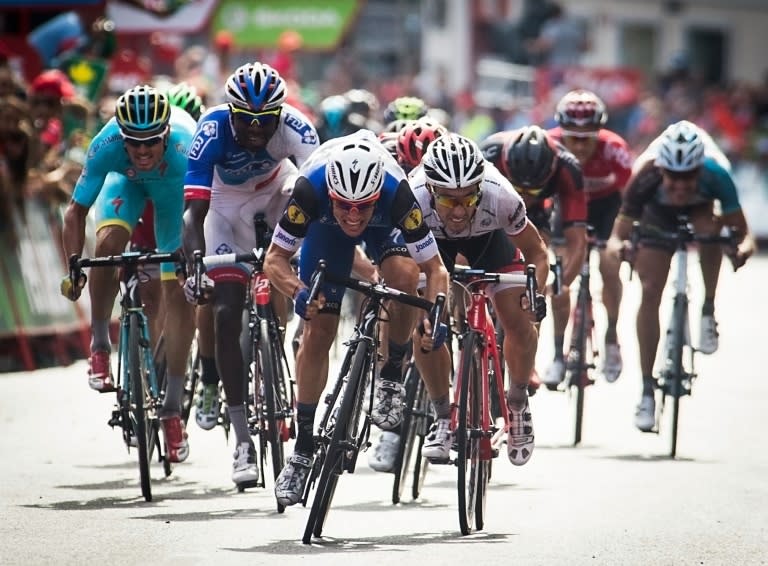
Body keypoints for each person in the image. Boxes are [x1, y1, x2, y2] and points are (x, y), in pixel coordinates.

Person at [263, 129, 452, 507]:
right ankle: (301, 451)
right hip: (324, 234)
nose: (353, 216)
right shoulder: (309, 191)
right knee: (319, 333)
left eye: (362, 206)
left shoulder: (396, 193)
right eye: (344, 206)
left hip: (387, 229)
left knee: (403, 275)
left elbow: (436, 270)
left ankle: (391, 376)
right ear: (331, 195)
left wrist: (433, 315)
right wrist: (300, 294)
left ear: (374, 198)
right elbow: (274, 260)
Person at [368, 133, 550, 472]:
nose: (460, 209)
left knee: (520, 322)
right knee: (426, 329)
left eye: (469, 198)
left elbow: (538, 252)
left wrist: (534, 292)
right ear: (432, 190)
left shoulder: (500, 196)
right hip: (432, 248)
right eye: (449, 201)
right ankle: (442, 417)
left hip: (491, 243)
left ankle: (517, 403)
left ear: (481, 188)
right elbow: (401, 263)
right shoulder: (414, 196)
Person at [182, 61, 319, 488]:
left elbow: (323, 190)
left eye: (266, 120)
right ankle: (242, 441)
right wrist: (195, 265)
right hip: (224, 213)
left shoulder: (297, 126)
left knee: (302, 189)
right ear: (231, 112)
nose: (257, 129)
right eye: (247, 120)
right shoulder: (211, 130)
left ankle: (277, 335)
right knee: (224, 313)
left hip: (277, 201)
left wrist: (313, 258)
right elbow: (194, 214)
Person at [60, 85, 197, 463]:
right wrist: (74, 265)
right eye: (133, 142)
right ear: (121, 136)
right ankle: (101, 345)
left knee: (177, 290)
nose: (141, 150)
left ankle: (171, 409)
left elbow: (203, 210)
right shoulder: (107, 144)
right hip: (126, 184)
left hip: (173, 194)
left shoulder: (187, 146)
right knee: (107, 249)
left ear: (166, 133)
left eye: (151, 142)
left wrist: (194, 259)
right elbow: (75, 211)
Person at [605, 120, 755, 432]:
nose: (681, 185)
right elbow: (617, 235)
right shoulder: (645, 175)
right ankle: (647, 390)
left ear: (700, 170)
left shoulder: (717, 174)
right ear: (662, 170)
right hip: (656, 215)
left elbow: (743, 232)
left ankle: (707, 309)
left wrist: (741, 249)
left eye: (689, 177)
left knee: (712, 231)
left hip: (703, 209)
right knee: (650, 290)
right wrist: (620, 248)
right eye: (673, 177)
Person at [479, 125, 587, 390]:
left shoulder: (567, 168)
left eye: (534, 191)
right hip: (490, 208)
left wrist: (556, 287)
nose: (525, 195)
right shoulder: (488, 155)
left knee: (531, 281)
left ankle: (527, 355)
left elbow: (577, 240)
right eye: (519, 188)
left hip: (536, 218)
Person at [548, 89, 633, 383]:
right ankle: (558, 354)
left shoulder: (614, 148)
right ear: (562, 133)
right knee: (559, 278)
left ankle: (611, 337)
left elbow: (630, 199)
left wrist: (624, 238)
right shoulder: (551, 144)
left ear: (600, 131)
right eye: (574, 137)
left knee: (609, 265)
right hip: (567, 208)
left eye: (588, 138)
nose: (581, 146)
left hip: (606, 208)